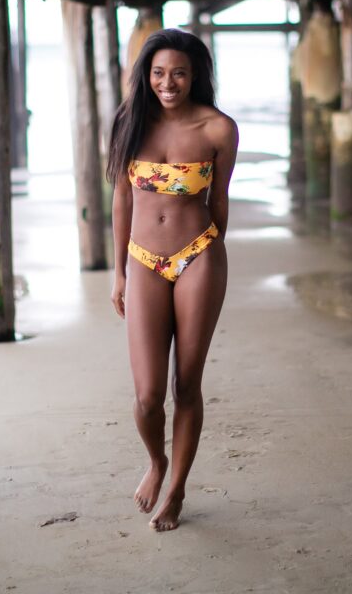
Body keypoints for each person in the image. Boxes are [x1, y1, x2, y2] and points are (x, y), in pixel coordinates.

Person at [107, 28, 238, 532]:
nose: (168, 82)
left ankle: (177, 487)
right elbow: (121, 199)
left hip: (198, 255)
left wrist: (214, 251)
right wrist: (118, 271)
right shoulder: (129, 122)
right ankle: (156, 461)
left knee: (186, 383)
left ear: (195, 75)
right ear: (146, 75)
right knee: (145, 396)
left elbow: (219, 199)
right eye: (159, 72)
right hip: (142, 260)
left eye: (179, 73)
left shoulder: (217, 129)